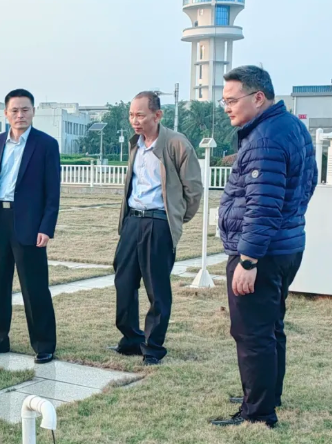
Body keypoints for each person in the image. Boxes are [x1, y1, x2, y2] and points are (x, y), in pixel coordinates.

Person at [211, 66, 316, 429]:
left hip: (263, 252)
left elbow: (262, 206)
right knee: (271, 326)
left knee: (252, 332)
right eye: (223, 100)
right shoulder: (292, 127)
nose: (227, 107)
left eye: (232, 100)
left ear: (258, 98)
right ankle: (267, 394)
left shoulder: (264, 139)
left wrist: (248, 260)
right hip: (286, 245)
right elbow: (307, 184)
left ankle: (257, 412)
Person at [111, 91, 202, 366]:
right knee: (124, 282)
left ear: (157, 115)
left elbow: (193, 189)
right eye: (131, 115)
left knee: (157, 288)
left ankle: (153, 347)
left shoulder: (176, 143)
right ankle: (131, 339)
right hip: (132, 220)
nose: (134, 121)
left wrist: (176, 218)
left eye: (140, 115)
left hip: (158, 222)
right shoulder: (135, 144)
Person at [0, 88, 60, 364]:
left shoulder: (46, 145)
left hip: (30, 223)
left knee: (34, 286)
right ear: (6, 114)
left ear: (33, 111)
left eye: (25, 109)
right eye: (14, 110)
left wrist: (46, 227)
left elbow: (52, 192)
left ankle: (44, 344)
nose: (20, 115)